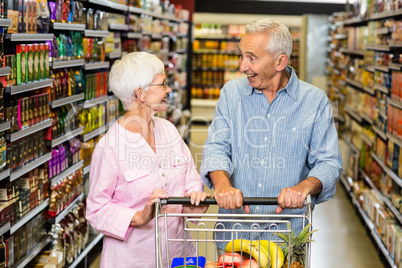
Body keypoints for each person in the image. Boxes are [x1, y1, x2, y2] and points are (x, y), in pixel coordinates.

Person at [200, 19, 343, 249]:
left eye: (252, 58)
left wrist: (304, 186)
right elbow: (216, 146)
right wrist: (222, 184)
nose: (242, 66)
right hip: (234, 236)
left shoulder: (314, 101)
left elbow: (328, 163)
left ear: (280, 62)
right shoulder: (231, 94)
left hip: (287, 240)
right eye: (241, 56)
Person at [86, 52, 210, 268]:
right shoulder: (110, 147)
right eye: (163, 84)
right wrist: (139, 216)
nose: (169, 90)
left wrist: (194, 200)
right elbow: (97, 210)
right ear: (141, 93)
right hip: (133, 259)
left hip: (178, 254)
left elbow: (190, 179)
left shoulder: (169, 131)